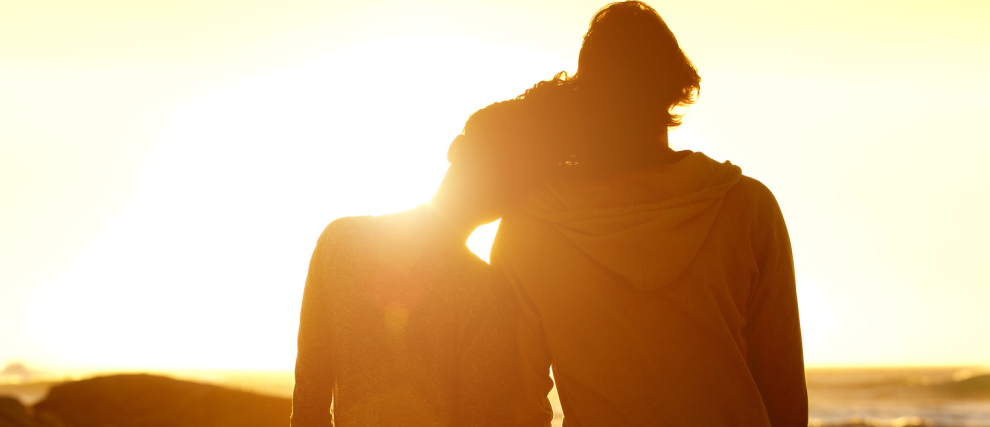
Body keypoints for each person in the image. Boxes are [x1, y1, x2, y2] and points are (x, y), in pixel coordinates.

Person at [459, 1, 808, 426]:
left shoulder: (533, 226)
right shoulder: (747, 207)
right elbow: (784, 393)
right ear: (674, 88)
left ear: (587, 99)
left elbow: (516, 404)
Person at [290, 133, 518, 426]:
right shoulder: (487, 292)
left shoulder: (339, 241)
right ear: (514, 198)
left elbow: (309, 399)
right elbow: (483, 418)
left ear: (456, 149)